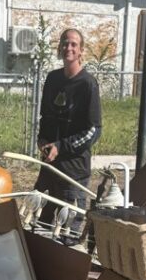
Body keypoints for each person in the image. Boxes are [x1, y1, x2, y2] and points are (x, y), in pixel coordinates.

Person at [35, 28, 102, 234]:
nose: (68, 47)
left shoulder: (88, 84)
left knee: (67, 231)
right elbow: (45, 117)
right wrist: (43, 139)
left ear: (81, 50)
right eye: (65, 43)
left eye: (73, 44)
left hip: (73, 170)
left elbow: (94, 129)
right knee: (37, 222)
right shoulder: (53, 79)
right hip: (49, 167)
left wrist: (60, 147)